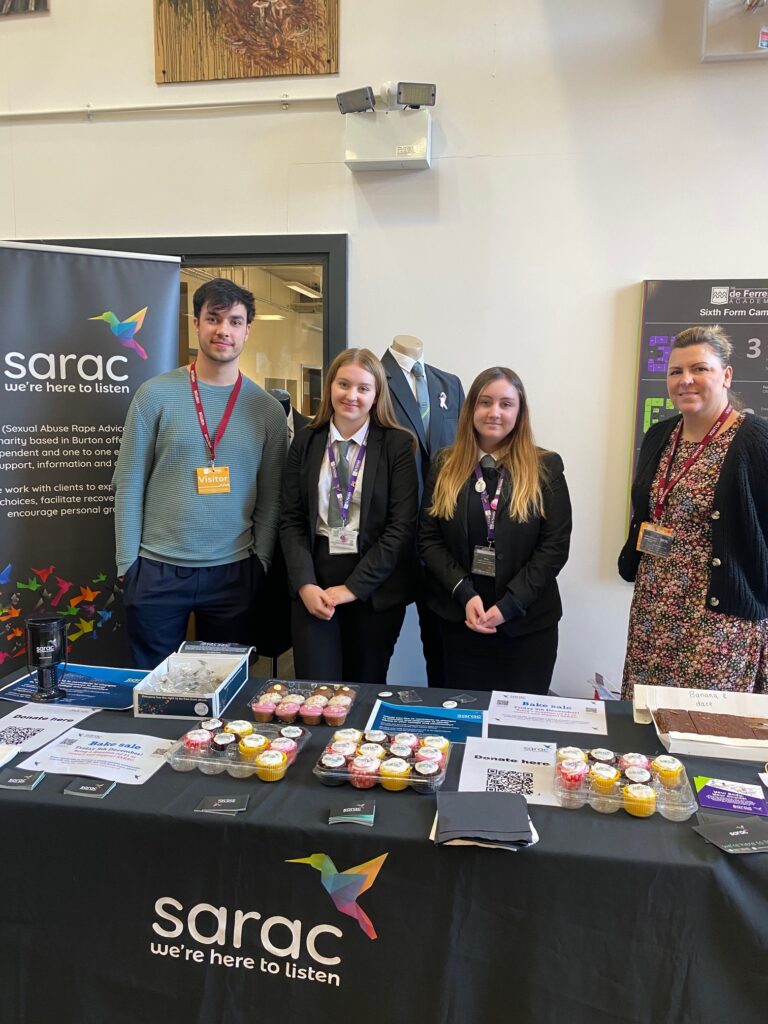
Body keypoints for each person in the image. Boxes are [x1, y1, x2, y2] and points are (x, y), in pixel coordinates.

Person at [113, 278, 288, 668]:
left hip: (233, 572)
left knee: (223, 691)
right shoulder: (154, 395)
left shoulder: (266, 411)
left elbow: (272, 497)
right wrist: (128, 565)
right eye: (213, 318)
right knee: (152, 689)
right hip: (156, 570)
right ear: (196, 323)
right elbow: (128, 484)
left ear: (247, 331)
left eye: (235, 321)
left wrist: (259, 562)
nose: (223, 330)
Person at [619, 325, 768, 698]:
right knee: (644, 723)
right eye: (676, 371)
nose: (686, 380)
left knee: (706, 731)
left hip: (720, 623)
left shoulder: (755, 441)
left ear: (726, 375)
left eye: (700, 369)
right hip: (654, 611)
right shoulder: (660, 435)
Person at [418, 366, 571, 694]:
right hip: (458, 621)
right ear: (471, 408)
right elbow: (429, 539)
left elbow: (554, 548)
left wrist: (510, 606)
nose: (494, 412)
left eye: (506, 404)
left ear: (520, 412)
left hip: (527, 627)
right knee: (461, 722)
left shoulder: (546, 467)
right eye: (485, 402)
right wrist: (464, 593)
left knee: (519, 729)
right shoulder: (445, 464)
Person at [280, 348, 418, 685]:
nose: (351, 396)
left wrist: (352, 589)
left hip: (374, 587)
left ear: (376, 395)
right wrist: (305, 584)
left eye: (363, 388)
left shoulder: (398, 445)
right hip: (316, 580)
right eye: (343, 384)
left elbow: (401, 528)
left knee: (364, 688)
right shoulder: (307, 441)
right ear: (330, 387)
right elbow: (292, 519)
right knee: (316, 691)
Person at [382, 335, 465, 686]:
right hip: (390, 540)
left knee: (444, 654)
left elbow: (460, 453)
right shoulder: (373, 378)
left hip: (441, 541)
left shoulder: (449, 384)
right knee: (375, 651)